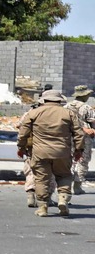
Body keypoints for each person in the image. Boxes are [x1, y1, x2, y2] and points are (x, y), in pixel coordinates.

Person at [18, 88, 85, 217]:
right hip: (62, 152)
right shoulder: (69, 113)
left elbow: (23, 133)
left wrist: (21, 148)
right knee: (64, 176)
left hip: (40, 153)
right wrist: (79, 150)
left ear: (43, 100)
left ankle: (43, 208)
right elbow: (79, 133)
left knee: (42, 179)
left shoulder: (34, 113)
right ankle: (63, 199)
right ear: (59, 100)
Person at [65, 85, 95, 194]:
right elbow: (92, 123)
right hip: (84, 138)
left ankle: (67, 184)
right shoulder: (87, 108)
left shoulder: (66, 106)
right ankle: (77, 186)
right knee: (83, 160)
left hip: (68, 137)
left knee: (69, 161)